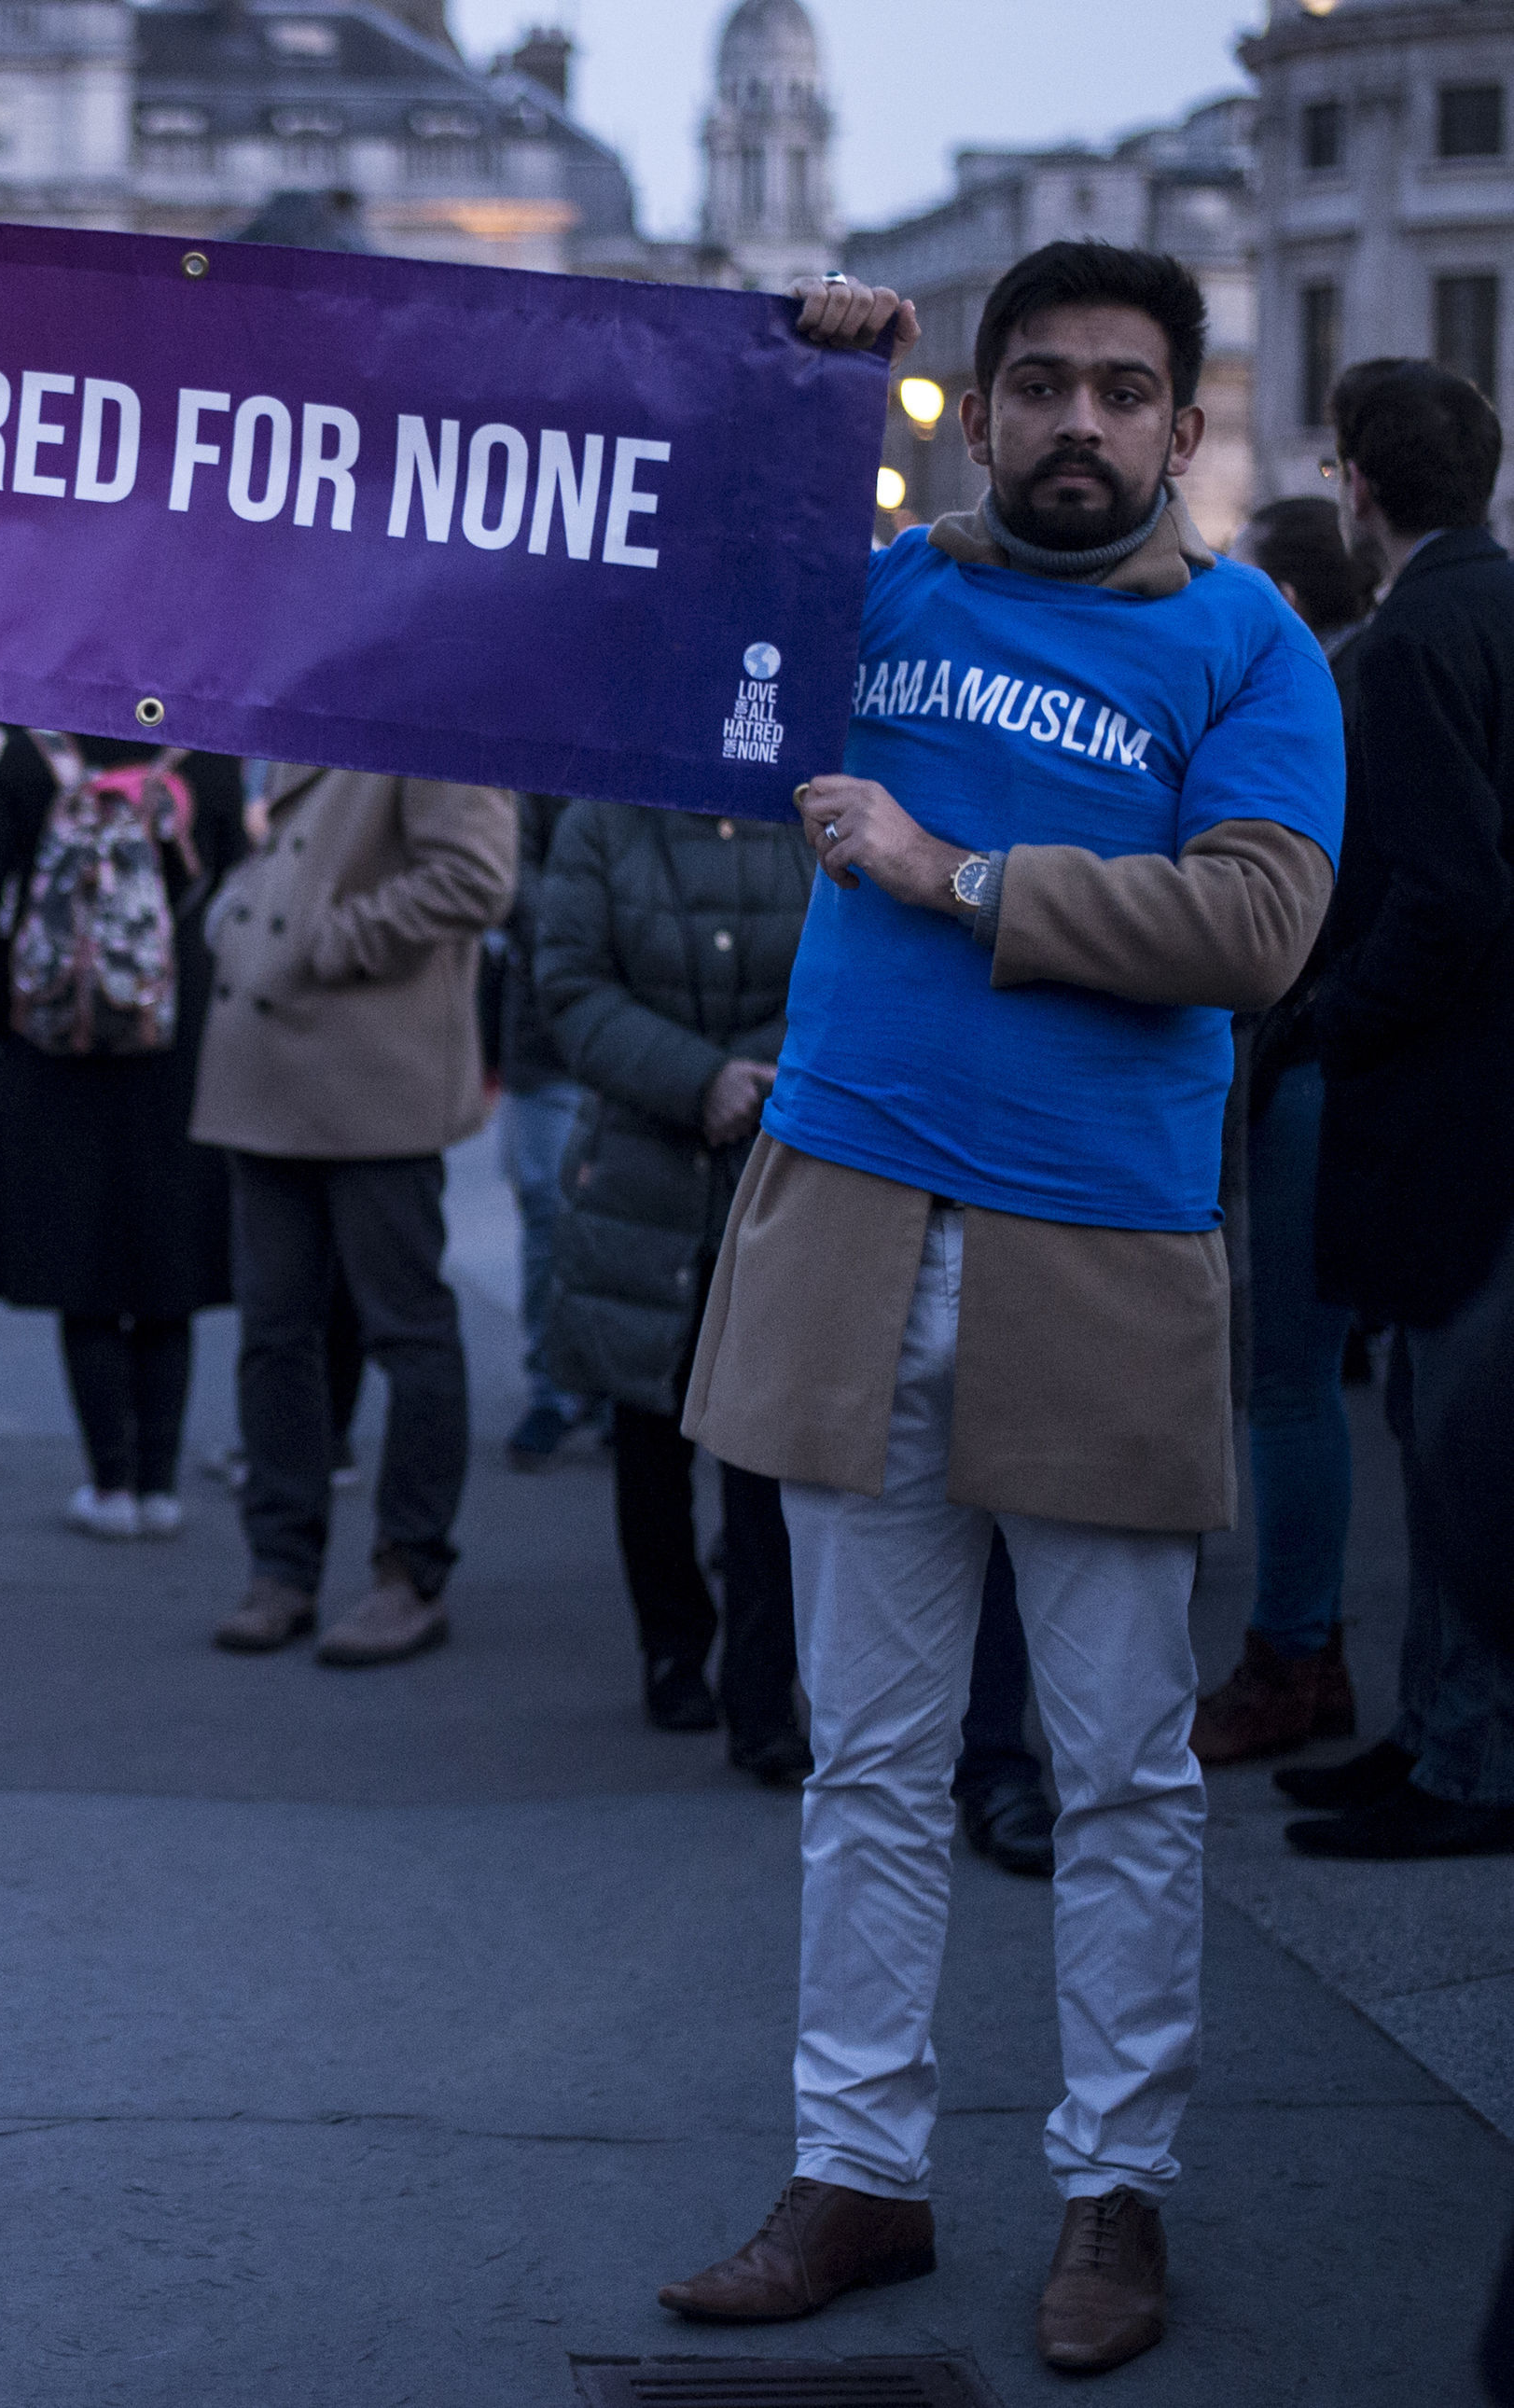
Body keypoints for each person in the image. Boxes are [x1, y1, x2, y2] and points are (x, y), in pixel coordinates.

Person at [660, 245, 1343, 2374]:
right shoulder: (884, 602)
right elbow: (677, 602)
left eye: (1120, 391)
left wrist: (951, 873)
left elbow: (1255, 921)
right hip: (854, 1231)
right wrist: (793, 388)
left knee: (1126, 1771)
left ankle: (1111, 2192)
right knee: (865, 1760)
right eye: (1035, 382)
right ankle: (854, 2170)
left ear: (1180, 424)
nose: (1074, 421)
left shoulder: (1254, 650)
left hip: (1098, 1258)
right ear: (987, 397)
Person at [1284, 360, 1514, 1860]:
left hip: (1451, 1101)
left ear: (1356, 482)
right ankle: (1436, 1729)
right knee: (1454, 1433)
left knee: (1452, 1443)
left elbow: (1447, 894)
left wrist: (1321, 1017)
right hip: (1488, 1091)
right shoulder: (1490, 606)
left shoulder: (1409, 641)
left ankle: (1469, 1758)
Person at [191, 759, 517, 1665]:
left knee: (403, 1329)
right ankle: (279, 1565)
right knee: (273, 1330)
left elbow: (476, 878)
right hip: (272, 1067)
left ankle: (408, 1571)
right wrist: (248, 908)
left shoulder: (424, 703)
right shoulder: (317, 689)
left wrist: (326, 937)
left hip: (372, 1071)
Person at [534, 796, 809, 1775]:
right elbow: (568, 984)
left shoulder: (808, 805)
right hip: (640, 1170)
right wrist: (698, 1078)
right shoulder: (602, 822)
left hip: (777, 1161)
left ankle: (763, 1689)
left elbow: (853, 962)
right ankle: (669, 1645)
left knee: (763, 1440)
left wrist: (762, 1070)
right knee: (647, 1430)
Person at [1188, 494, 1380, 1764]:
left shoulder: (1340, 694)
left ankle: (1296, 1651)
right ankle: (1305, 1648)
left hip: (1317, 1064)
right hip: (1329, 1062)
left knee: (1291, 1384)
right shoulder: (1364, 674)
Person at [0, 730, 247, 1537]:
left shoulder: (29, 756)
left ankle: (108, 1483)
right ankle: (160, 1483)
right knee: (167, 1270)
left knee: (81, 1269)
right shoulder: (206, 755)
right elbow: (234, 897)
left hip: (55, 1049)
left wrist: (13, 1006)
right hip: (174, 1046)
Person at [497, 794, 605, 1468]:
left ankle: (622, 1385)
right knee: (547, 1209)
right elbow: (511, 868)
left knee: (635, 1215)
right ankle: (552, 1384)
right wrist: (586, 933)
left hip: (653, 1010)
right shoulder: (546, 741)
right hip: (547, 1024)